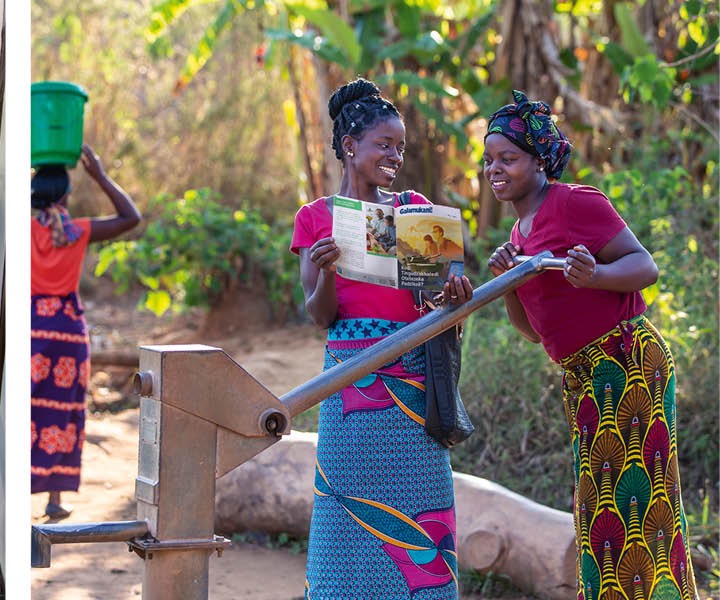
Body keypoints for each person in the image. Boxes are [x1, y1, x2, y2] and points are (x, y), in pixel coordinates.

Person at [484, 90, 698, 597]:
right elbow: (534, 331)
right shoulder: (519, 234)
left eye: (508, 158)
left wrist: (596, 274)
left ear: (539, 162)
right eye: (489, 160)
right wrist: (510, 281)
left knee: (638, 502)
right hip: (583, 377)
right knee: (599, 507)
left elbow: (645, 266)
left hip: (625, 361)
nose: (495, 169)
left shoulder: (576, 203)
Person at [291, 78, 473, 598]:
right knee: (347, 506)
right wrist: (327, 272)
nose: (395, 155)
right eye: (384, 145)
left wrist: (453, 295)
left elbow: (433, 304)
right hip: (351, 385)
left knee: (420, 505)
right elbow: (320, 317)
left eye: (400, 147)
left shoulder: (413, 209)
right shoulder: (316, 218)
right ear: (351, 146)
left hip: (413, 381)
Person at [31, 144, 140, 520]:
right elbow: (130, 217)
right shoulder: (75, 231)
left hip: (33, 327)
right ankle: (54, 500)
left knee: (28, 407)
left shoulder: (25, 228)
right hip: (67, 330)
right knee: (63, 411)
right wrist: (101, 175)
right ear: (65, 194)